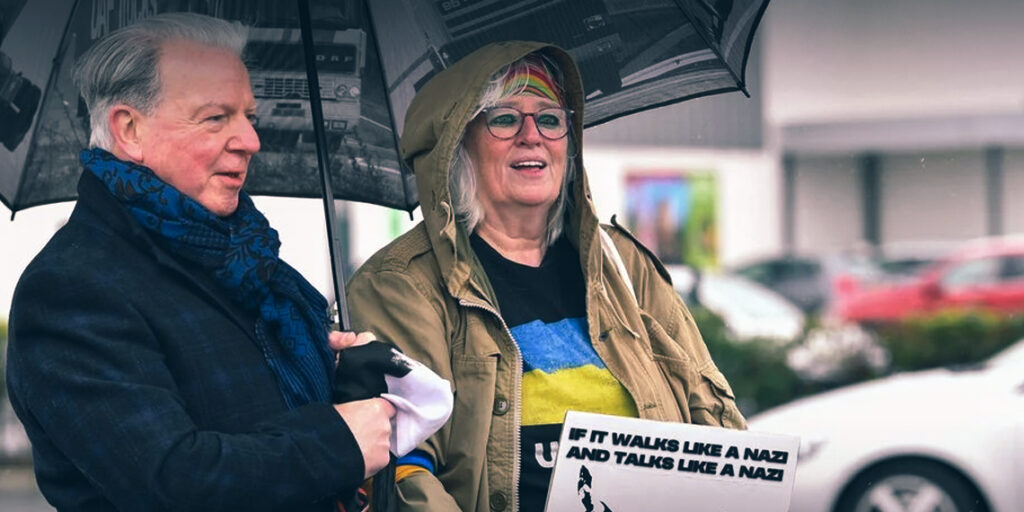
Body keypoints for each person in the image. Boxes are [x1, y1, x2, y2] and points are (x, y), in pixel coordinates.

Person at [5, 13, 395, 511]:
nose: (251, 141)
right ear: (130, 130)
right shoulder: (69, 289)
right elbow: (171, 481)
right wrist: (337, 443)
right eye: (216, 117)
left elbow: (245, 405)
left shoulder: (244, 264)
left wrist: (334, 369)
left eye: (249, 117)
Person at [346, 41, 747, 512]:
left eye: (550, 119)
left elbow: (714, 421)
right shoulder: (400, 285)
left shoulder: (623, 263)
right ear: (457, 145)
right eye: (504, 118)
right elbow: (407, 472)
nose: (531, 136)